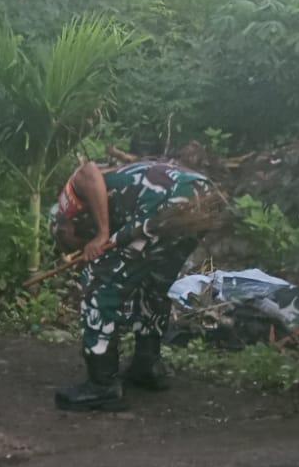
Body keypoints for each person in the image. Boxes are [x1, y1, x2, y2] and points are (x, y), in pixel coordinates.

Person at [48, 158, 220, 411]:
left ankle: (101, 385)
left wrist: (102, 234)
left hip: (165, 200)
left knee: (100, 282)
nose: (78, 249)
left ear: (64, 228)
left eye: (73, 245)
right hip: (199, 195)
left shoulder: (66, 206)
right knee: (151, 284)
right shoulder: (112, 205)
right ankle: (147, 365)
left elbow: (87, 171)